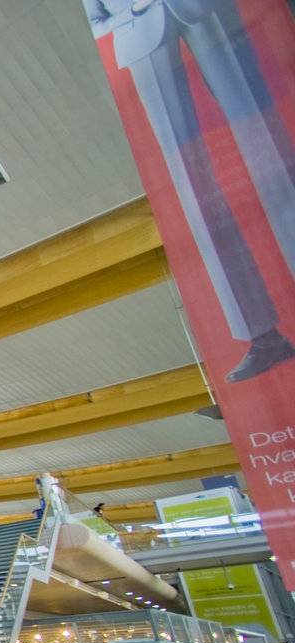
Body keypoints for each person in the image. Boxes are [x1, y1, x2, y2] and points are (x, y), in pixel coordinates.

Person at [83, 0, 295, 383]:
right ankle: (263, 336)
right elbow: (95, 22)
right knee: (192, 185)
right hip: (140, 39)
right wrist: (135, 9)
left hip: (207, 9)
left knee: (268, 147)